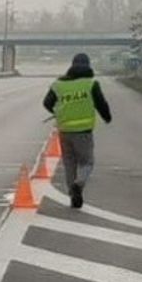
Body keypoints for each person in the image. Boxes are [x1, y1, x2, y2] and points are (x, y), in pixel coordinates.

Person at [42, 53, 112, 208]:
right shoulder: (91, 84)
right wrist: (107, 117)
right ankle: (78, 184)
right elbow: (101, 104)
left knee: (69, 163)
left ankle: (73, 194)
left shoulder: (59, 84)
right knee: (86, 162)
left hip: (65, 130)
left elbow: (47, 103)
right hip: (83, 132)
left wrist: (58, 112)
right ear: (88, 65)